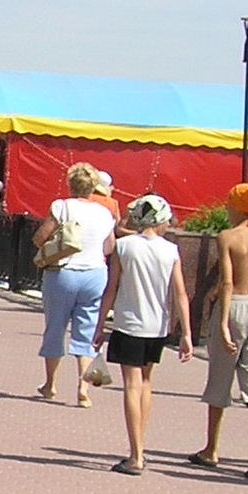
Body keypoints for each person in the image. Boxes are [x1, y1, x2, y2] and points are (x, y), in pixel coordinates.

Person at [190, 185, 248, 479]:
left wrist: (222, 322)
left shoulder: (228, 237)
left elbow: (227, 282)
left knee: (220, 378)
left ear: (236, 207)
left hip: (236, 306)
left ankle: (211, 449)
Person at [96, 195, 192, 474]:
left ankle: (135, 453)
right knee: (146, 382)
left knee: (131, 385)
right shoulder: (171, 251)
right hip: (157, 326)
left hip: (129, 323)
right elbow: (180, 293)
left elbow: (111, 288)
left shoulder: (124, 246)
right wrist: (186, 333)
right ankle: (140, 446)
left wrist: (99, 324)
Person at [32, 163, 114, 404]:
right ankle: (83, 389)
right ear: (93, 187)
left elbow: (40, 237)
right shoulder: (104, 213)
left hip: (63, 272)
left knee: (55, 327)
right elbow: (109, 246)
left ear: (70, 184)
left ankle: (50, 384)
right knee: (86, 330)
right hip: (95, 273)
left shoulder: (62, 206)